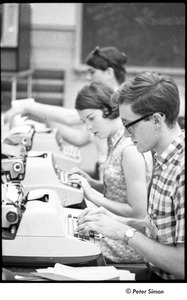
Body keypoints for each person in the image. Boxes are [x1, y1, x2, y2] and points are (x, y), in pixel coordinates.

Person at [75, 71, 185, 280]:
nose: (125, 134)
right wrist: (119, 221)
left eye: (130, 124)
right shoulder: (165, 157)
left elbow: (182, 264)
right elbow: (162, 229)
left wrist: (123, 233)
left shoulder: (182, 171)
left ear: (156, 120)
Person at [4, 46, 127, 179]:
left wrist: (28, 106)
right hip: (103, 170)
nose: (88, 77)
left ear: (109, 72)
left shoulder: (117, 100)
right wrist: (46, 120)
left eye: (92, 72)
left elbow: (69, 117)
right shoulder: (103, 105)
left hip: (114, 174)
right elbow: (80, 138)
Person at [68, 80, 153, 263]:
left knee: (66, 244)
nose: (88, 128)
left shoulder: (129, 149)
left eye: (91, 118)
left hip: (128, 241)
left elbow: (138, 212)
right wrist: (92, 183)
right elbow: (120, 190)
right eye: (84, 122)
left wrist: (92, 195)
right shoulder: (113, 140)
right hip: (115, 227)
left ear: (109, 109)